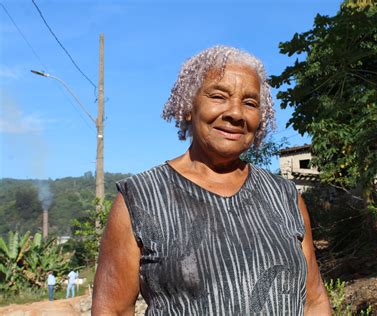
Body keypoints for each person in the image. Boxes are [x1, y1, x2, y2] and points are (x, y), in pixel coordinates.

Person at [92, 46, 332, 315]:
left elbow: (314, 301)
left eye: (250, 103)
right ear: (187, 107)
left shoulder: (284, 198)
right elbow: (112, 310)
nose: (236, 113)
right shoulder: (141, 198)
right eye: (218, 96)